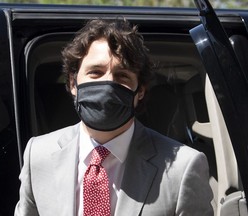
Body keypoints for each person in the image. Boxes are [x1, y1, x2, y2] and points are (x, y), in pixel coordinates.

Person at [14, 18, 213, 216]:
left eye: (122, 76)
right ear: (73, 83)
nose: (108, 84)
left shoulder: (183, 167)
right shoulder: (38, 155)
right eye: (95, 72)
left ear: (140, 91)